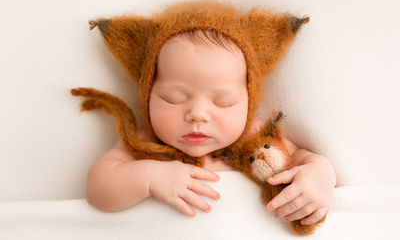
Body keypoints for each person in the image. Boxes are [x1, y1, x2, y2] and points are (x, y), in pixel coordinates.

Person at [85, 28, 337, 226]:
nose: (198, 115)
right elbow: (98, 189)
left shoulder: (254, 138)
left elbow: (303, 159)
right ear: (147, 95)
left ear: (248, 103)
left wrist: (319, 174)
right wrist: (150, 177)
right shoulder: (145, 143)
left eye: (223, 101)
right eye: (174, 98)